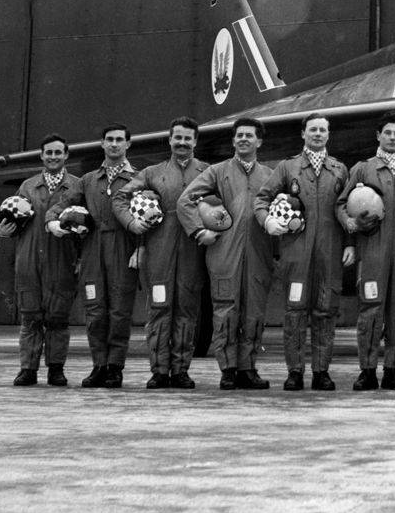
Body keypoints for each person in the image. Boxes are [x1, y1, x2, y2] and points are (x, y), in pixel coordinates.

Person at [254, 113, 353, 391]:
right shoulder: (288, 168)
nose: (318, 134)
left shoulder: (339, 170)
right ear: (303, 133)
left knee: (325, 311)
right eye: (313, 130)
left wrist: (349, 244)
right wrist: (268, 221)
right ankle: (295, 371)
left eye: (323, 130)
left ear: (328, 135)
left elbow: (345, 207)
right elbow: (262, 198)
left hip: (330, 252)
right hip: (296, 252)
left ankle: (321, 371)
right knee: (295, 311)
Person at [177, 118, 273, 390]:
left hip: (258, 253)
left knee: (253, 312)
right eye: (239, 135)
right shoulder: (217, 172)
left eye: (249, 135)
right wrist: (199, 231)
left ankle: (248, 368)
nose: (244, 139)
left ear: (259, 141)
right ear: (233, 141)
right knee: (225, 311)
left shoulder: (269, 175)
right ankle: (228, 369)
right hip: (223, 253)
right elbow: (185, 200)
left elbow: (287, 204)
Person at [113, 116, 207, 389]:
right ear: (169, 140)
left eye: (187, 138)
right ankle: (159, 370)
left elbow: (222, 204)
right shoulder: (152, 173)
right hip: (158, 252)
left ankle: (180, 371)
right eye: (177, 137)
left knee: (187, 312)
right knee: (158, 311)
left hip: (192, 252)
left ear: (195, 141)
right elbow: (120, 197)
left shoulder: (207, 172)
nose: (182, 142)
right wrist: (132, 223)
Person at [335, 111, 395, 391]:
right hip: (373, 249)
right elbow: (341, 203)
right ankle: (368, 370)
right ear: (378, 136)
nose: (393, 138)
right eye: (388, 133)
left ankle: (393, 370)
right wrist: (349, 223)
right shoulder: (363, 169)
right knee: (370, 309)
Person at [46, 124, 137, 389]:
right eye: (109, 140)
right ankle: (99, 365)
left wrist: (140, 248)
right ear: (102, 144)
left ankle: (115, 368)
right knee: (95, 311)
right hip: (93, 249)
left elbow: (150, 217)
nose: (114, 144)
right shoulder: (87, 181)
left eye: (120, 140)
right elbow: (60, 206)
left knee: (119, 311)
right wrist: (54, 222)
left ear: (128, 145)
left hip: (122, 247)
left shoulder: (138, 178)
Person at [1, 134, 81, 387]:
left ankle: (55, 369)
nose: (53, 157)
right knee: (30, 317)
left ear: (66, 155)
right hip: (29, 261)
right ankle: (28, 369)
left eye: (58, 153)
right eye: (49, 153)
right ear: (42, 155)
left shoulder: (77, 186)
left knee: (58, 318)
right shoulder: (27, 186)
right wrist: (4, 230)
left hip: (62, 260)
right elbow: (12, 220)